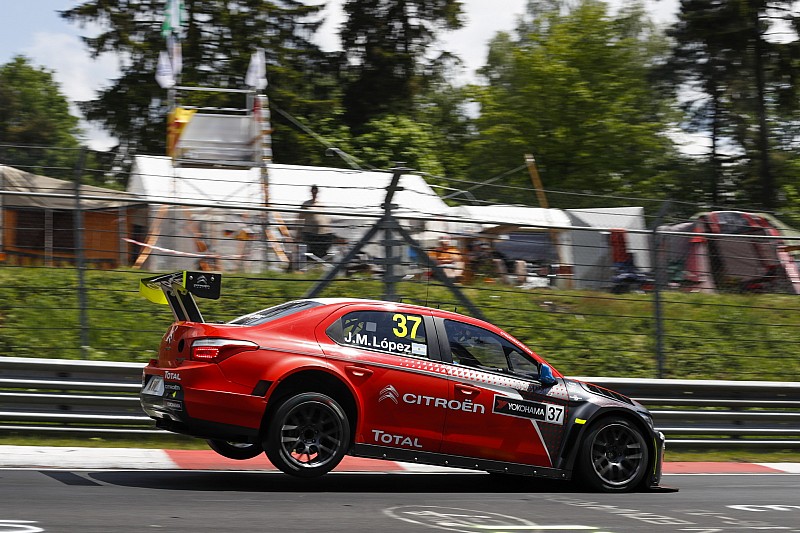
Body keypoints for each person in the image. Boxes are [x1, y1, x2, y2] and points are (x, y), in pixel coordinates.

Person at [296, 185, 333, 259]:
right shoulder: (306, 204)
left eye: (316, 191)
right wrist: (298, 233)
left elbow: (325, 218)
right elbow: (299, 218)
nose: (314, 193)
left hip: (322, 234)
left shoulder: (321, 205)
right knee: (311, 252)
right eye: (313, 191)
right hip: (310, 233)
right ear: (311, 192)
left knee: (323, 252)